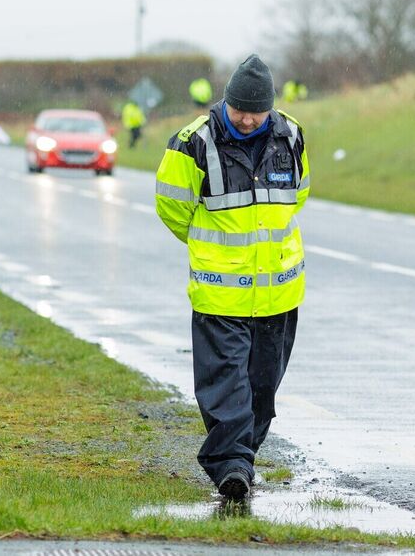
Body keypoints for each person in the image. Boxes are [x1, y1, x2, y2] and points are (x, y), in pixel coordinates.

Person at [154, 54, 310, 500]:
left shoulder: (291, 136)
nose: (246, 119)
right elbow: (172, 208)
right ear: (226, 101)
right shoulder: (193, 143)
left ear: (270, 108)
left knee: (262, 389)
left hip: (279, 293)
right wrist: (215, 251)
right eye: (239, 109)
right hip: (220, 295)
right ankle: (230, 466)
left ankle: (242, 456)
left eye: (255, 112)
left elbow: (298, 196)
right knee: (227, 386)